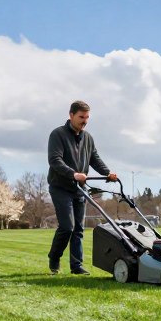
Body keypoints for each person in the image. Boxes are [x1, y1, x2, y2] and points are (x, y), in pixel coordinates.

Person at [47, 100, 118, 274]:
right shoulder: (58, 134)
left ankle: (76, 265)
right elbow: (55, 160)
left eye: (87, 118)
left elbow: (94, 158)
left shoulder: (88, 138)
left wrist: (108, 173)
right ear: (71, 115)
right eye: (81, 117)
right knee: (67, 227)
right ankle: (54, 257)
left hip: (79, 189)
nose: (84, 121)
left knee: (78, 229)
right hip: (61, 187)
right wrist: (73, 174)